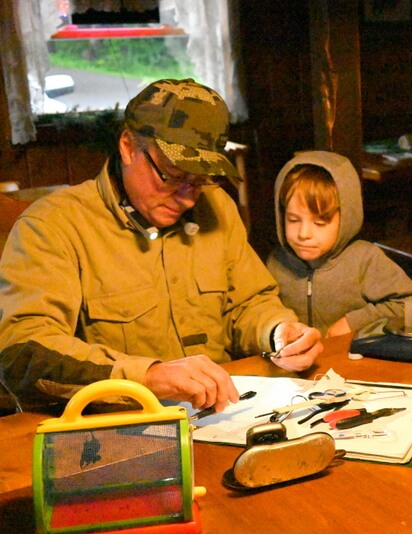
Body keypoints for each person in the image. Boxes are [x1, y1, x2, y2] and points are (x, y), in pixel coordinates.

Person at [0, 79, 322, 414]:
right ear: (127, 146)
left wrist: (278, 331)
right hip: (117, 428)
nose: (186, 197)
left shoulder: (218, 208)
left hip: (225, 415)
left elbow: (248, 303)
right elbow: (24, 352)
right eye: (172, 175)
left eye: (200, 179)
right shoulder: (54, 226)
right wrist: (148, 377)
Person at [266, 151, 412, 338]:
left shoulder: (365, 259)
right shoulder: (275, 263)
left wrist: (353, 322)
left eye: (320, 223)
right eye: (293, 220)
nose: (304, 234)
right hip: (293, 364)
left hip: (353, 363)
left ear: (345, 218)